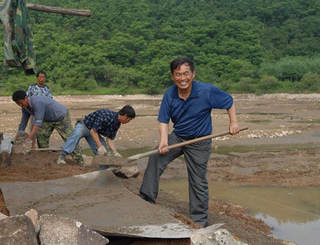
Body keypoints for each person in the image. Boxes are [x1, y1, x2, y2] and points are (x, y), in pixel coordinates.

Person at [139, 57, 240, 227]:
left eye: (186, 73)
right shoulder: (169, 94)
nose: (182, 78)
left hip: (200, 141)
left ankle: (199, 220)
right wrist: (164, 142)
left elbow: (229, 101)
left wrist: (233, 123)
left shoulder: (206, 91)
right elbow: (163, 120)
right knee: (156, 157)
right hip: (178, 136)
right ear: (173, 76)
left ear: (193, 74)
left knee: (197, 179)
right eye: (178, 74)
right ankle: (146, 198)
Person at [12, 90, 83, 164]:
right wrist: (18, 136)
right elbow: (23, 123)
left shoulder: (37, 102)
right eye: (18, 104)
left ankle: (80, 162)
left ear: (26, 98)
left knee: (70, 139)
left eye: (21, 102)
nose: (20, 105)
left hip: (61, 117)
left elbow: (38, 123)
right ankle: (45, 161)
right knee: (41, 139)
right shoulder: (25, 107)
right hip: (47, 120)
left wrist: (29, 139)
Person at [56, 105, 136, 165]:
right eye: (129, 119)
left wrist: (115, 152)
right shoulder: (106, 115)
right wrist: (100, 146)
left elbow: (110, 139)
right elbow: (93, 131)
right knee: (75, 136)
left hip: (94, 132)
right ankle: (62, 157)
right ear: (125, 116)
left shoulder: (117, 123)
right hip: (84, 126)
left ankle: (103, 170)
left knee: (104, 153)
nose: (129, 121)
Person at [26, 71, 53, 148]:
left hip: (44, 114)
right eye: (40, 77)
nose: (41, 79)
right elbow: (27, 98)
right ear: (37, 78)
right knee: (33, 130)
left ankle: (43, 148)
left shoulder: (47, 88)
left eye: (43, 77)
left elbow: (50, 100)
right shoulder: (32, 87)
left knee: (43, 132)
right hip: (34, 112)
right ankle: (32, 147)